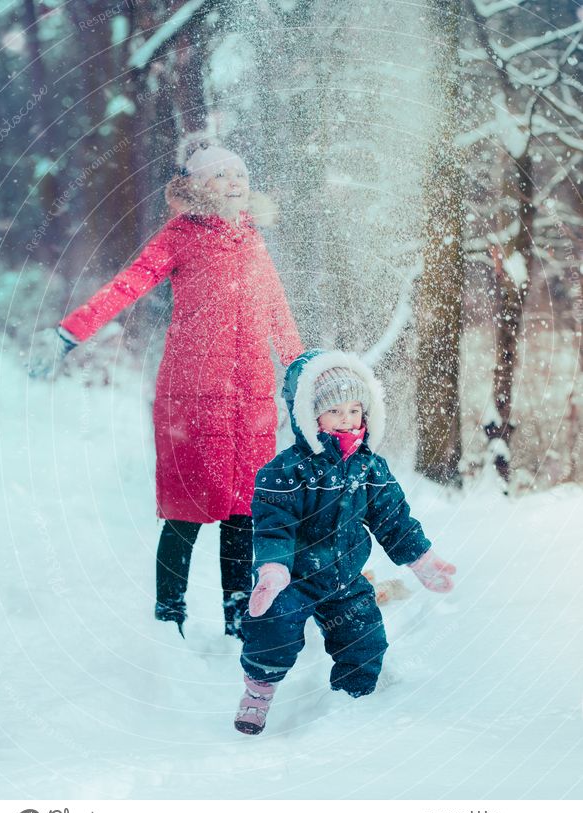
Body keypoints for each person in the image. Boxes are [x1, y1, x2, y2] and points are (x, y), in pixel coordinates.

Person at [28, 143, 303, 639]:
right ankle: (168, 617)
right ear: (198, 186)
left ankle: (240, 619)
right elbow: (128, 284)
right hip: (195, 394)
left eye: (239, 173)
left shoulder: (254, 240)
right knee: (187, 511)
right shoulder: (181, 235)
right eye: (220, 176)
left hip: (253, 398)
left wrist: (301, 367)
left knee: (245, 513)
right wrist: (72, 332)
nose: (234, 182)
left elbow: (277, 310)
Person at [234, 349, 456, 734]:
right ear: (308, 415)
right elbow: (274, 527)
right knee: (273, 628)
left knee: (365, 641)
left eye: (355, 410)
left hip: (346, 579)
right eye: (335, 411)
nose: (347, 420)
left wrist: (422, 559)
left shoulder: (370, 466)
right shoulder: (284, 472)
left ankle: (352, 707)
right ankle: (259, 691)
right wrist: (272, 570)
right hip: (295, 579)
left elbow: (394, 519)